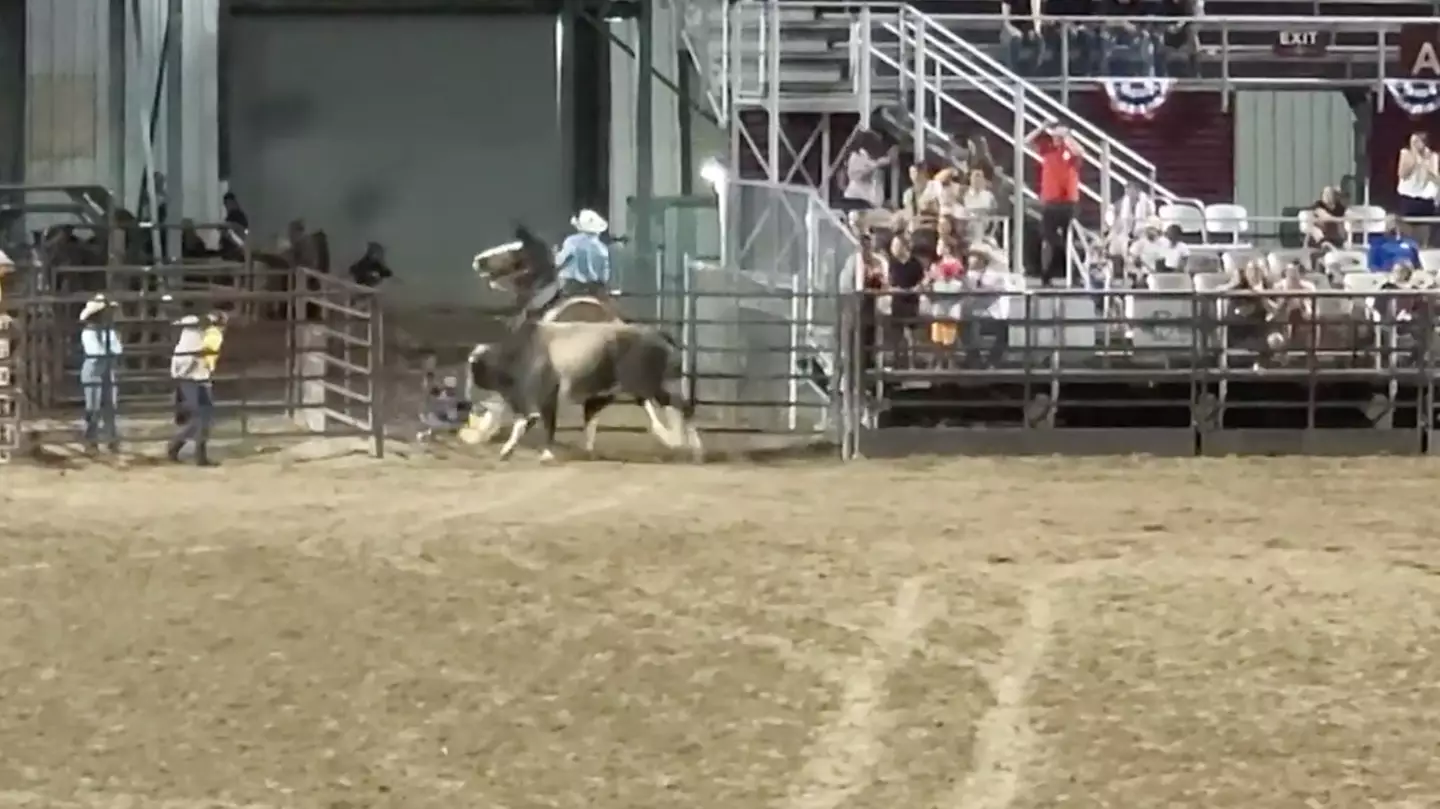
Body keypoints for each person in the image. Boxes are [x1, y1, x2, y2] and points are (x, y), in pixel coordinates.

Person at [167, 310, 227, 466]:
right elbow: (185, 363)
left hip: (200, 378)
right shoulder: (191, 338)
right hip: (190, 380)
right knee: (200, 416)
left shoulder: (202, 336)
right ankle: (178, 446)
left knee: (205, 417)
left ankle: (194, 452)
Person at [1028, 122, 1082, 285]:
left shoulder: (1070, 153)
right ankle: (1046, 275)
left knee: (1070, 239)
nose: (1056, 139)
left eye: (1059, 136)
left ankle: (1076, 274)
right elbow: (1027, 142)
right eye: (1055, 136)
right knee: (1048, 240)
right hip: (1050, 202)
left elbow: (1079, 152)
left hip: (1068, 202)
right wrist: (1042, 127)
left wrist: (1067, 136)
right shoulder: (1048, 151)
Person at [78, 294, 123, 453]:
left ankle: (111, 438)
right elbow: (96, 352)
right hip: (95, 370)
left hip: (104, 368)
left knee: (110, 405)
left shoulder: (108, 331)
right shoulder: (89, 332)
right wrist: (109, 350)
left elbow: (117, 349)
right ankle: (91, 439)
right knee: (94, 406)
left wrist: (109, 350)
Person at [555, 209, 612, 299]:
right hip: (594, 288)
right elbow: (605, 276)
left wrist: (555, 255)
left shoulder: (571, 241)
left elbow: (559, 262)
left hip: (571, 287)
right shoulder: (602, 248)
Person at [1395, 132, 1438, 242]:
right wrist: (1415, 158)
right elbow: (1402, 174)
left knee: (1423, 232)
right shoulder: (1405, 154)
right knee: (1406, 232)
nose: (1415, 144)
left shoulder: (1432, 156)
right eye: (1413, 142)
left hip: (1425, 199)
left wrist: (1426, 164)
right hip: (1408, 198)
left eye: (1418, 141)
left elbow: (1435, 177)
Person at [839, 130, 894, 211]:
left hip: (868, 199)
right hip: (856, 198)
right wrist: (877, 164)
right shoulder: (857, 156)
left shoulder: (869, 157)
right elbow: (856, 175)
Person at [417, 375, 472, 441]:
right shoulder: (440, 397)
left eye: (452, 388)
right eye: (450, 388)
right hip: (438, 420)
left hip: (445, 421)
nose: (452, 390)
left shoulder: (453, 398)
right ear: (446, 388)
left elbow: (459, 408)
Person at [1306, 185, 1348, 250]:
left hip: (1336, 237)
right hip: (1319, 236)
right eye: (1326, 194)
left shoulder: (1339, 208)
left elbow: (1346, 216)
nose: (1328, 196)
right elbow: (1325, 216)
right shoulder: (1318, 205)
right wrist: (1338, 220)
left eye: (1331, 194)